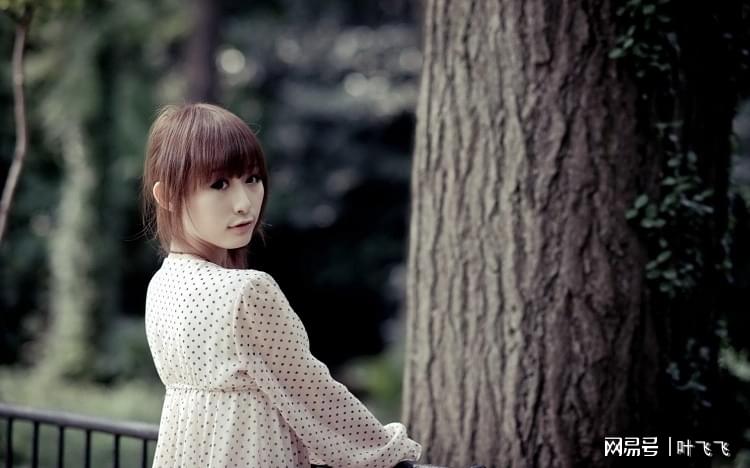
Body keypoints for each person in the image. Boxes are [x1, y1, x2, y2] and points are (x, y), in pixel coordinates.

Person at [141, 103, 422, 468]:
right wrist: (389, 450)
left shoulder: (162, 285)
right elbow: (312, 396)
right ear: (167, 196)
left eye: (252, 178)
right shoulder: (246, 292)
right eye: (219, 184)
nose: (244, 203)